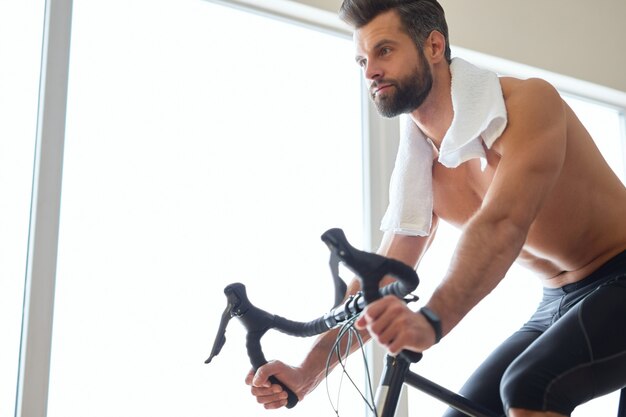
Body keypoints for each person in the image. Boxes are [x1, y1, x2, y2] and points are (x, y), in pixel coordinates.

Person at [245, 1, 626, 416]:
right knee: (461, 411)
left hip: (620, 272)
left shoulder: (528, 104)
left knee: (531, 386)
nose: (369, 70)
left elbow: (502, 224)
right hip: (557, 298)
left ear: (433, 46)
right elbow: (384, 273)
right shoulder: (421, 167)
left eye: (384, 51)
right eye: (362, 60)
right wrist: (306, 372)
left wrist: (431, 320)